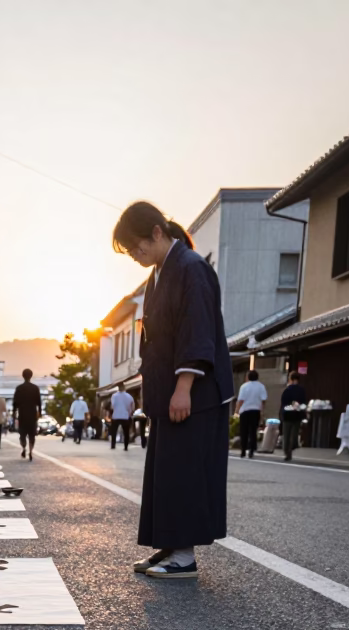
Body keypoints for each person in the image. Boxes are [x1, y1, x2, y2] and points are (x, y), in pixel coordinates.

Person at [113, 201, 233, 579]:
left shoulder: (192, 268)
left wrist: (183, 387)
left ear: (157, 232)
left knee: (185, 471)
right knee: (166, 471)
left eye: (136, 247)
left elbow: (197, 331)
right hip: (171, 394)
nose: (135, 255)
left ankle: (184, 556)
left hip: (195, 394)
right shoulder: (161, 272)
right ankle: (171, 546)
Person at [235, 369, 267, 459]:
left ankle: (243, 451)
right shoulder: (261, 386)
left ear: (248, 377)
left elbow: (241, 400)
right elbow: (263, 400)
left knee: (243, 431)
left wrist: (236, 410)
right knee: (253, 431)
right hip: (255, 411)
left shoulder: (244, 386)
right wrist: (262, 411)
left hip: (245, 411)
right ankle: (251, 451)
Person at [12, 368, 42, 460]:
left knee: (22, 434)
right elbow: (39, 402)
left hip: (22, 414)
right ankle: (31, 451)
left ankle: (24, 447)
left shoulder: (19, 388)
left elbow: (15, 402)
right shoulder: (35, 388)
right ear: (31, 376)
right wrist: (39, 412)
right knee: (32, 434)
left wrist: (14, 412)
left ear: (23, 376)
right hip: (32, 414)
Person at [279, 370, 307, 461]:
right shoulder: (302, 390)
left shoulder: (287, 390)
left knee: (286, 434)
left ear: (290, 379)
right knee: (294, 435)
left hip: (287, 415)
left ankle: (287, 452)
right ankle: (293, 447)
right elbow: (304, 403)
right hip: (297, 415)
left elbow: (283, 403)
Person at [108, 383, 135, 450]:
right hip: (125, 416)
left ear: (118, 388)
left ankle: (113, 445)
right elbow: (133, 407)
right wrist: (130, 412)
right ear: (124, 388)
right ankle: (126, 446)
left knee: (114, 431)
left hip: (116, 416)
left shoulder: (114, 396)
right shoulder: (129, 396)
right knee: (126, 432)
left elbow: (112, 406)